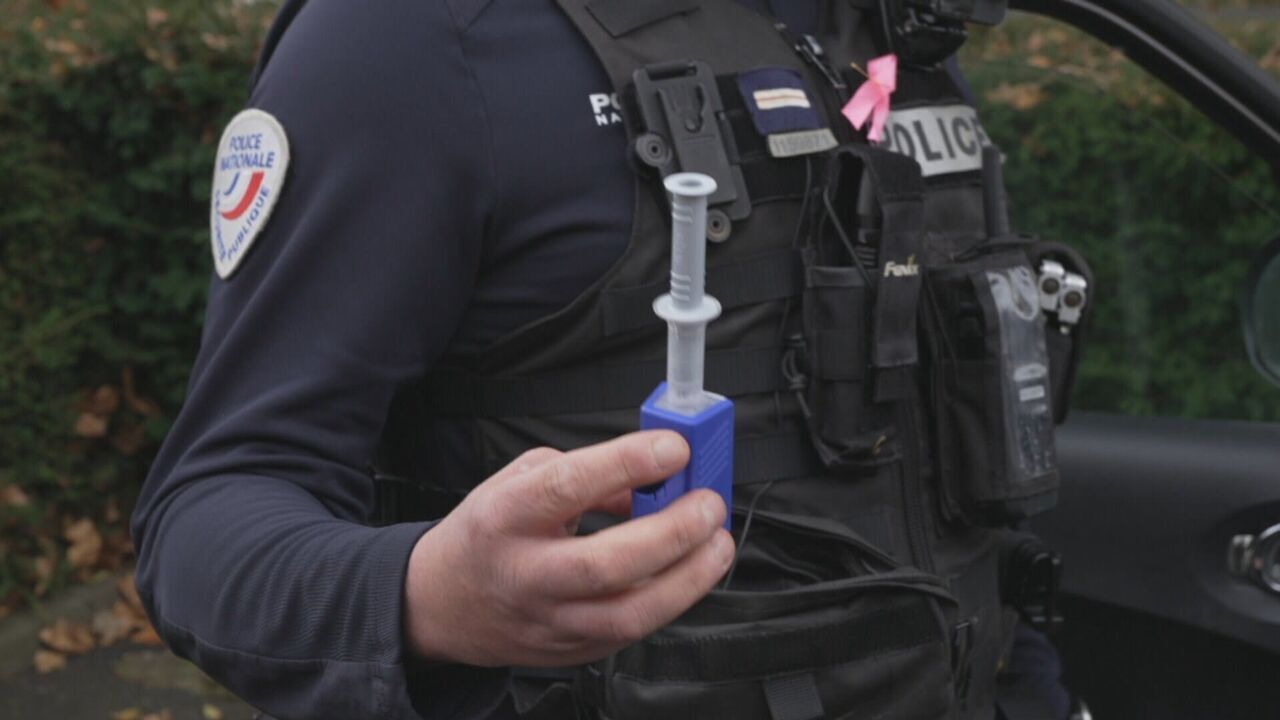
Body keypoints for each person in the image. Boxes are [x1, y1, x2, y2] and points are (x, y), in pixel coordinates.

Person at [133, 0, 1080, 718]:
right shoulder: (412, 38)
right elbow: (204, 514)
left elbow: (955, 479)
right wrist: (425, 598)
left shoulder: (892, 30)